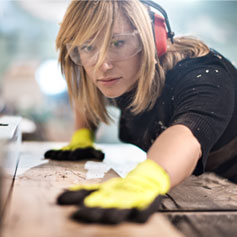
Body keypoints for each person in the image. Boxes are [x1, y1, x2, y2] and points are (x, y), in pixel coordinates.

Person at [44, 0, 237, 224]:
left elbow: (187, 135)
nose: (101, 65)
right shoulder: (118, 73)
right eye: (88, 47)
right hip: (203, 189)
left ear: (154, 39)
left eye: (117, 42)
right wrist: (82, 137)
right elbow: (85, 92)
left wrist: (146, 180)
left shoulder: (205, 75)